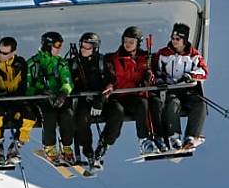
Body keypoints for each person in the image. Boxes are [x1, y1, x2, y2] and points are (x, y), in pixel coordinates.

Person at [99, 26, 159, 158]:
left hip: (133, 96)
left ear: (138, 43)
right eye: (125, 41)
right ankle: (104, 144)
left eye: (131, 42)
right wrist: (109, 86)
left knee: (143, 104)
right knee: (117, 113)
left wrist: (149, 78)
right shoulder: (112, 58)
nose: (127, 44)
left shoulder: (145, 58)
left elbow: (151, 78)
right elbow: (110, 77)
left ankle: (144, 140)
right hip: (117, 97)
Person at [154, 23, 209, 150]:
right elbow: (153, 70)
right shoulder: (163, 54)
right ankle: (174, 136)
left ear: (184, 40)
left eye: (177, 39)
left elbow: (204, 72)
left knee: (200, 103)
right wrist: (160, 80)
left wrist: (191, 75)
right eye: (172, 38)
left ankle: (191, 136)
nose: (174, 41)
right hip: (171, 90)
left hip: (187, 90)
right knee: (173, 103)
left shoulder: (193, 55)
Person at [0, 36, 36, 164]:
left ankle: (17, 145)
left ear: (13, 52)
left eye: (5, 53)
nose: (1, 55)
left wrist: (19, 99)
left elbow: (23, 84)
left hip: (15, 99)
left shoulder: (20, 63)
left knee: (29, 115)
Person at [26, 31, 75, 163]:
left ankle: (67, 146)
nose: (60, 49)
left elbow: (67, 80)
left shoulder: (61, 63)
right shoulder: (33, 63)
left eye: (61, 45)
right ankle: (49, 146)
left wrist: (64, 92)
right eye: (57, 45)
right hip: (41, 99)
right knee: (49, 115)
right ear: (48, 45)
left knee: (67, 114)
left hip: (57, 97)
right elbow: (27, 85)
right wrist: (37, 93)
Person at [69, 32, 111, 166]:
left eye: (88, 47)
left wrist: (101, 100)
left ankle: (104, 144)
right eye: (82, 46)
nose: (84, 50)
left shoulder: (101, 61)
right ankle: (87, 150)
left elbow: (110, 82)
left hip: (101, 100)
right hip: (82, 101)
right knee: (81, 117)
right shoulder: (73, 63)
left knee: (117, 112)